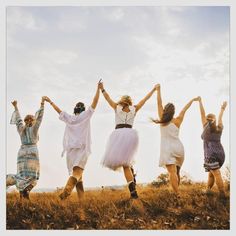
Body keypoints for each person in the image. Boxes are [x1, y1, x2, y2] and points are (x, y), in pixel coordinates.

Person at [99, 82, 158, 199]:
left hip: (118, 134)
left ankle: (133, 191)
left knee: (125, 164)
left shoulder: (117, 107)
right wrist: (153, 90)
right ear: (130, 102)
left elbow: (107, 98)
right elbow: (145, 100)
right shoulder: (134, 109)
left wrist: (102, 89)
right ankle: (133, 182)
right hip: (131, 135)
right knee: (127, 162)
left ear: (122, 101)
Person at [43, 81, 100, 200]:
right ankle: (65, 193)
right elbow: (94, 103)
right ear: (83, 109)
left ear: (75, 110)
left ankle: (82, 202)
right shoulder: (86, 115)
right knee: (77, 174)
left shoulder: (69, 118)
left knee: (79, 177)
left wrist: (50, 102)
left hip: (71, 152)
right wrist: (98, 89)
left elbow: (59, 111)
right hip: (82, 149)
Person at [151, 84, 199, 194]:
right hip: (179, 148)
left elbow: (159, 103)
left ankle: (177, 195)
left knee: (172, 172)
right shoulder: (178, 120)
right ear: (173, 112)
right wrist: (192, 100)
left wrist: (158, 90)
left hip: (168, 148)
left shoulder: (162, 118)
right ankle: (176, 191)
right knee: (176, 172)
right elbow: (185, 109)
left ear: (165, 111)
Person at [6, 97, 45, 199]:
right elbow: (40, 118)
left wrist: (15, 107)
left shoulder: (21, 129)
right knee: (33, 177)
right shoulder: (34, 129)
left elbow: (18, 120)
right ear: (33, 120)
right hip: (32, 152)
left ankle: (22, 198)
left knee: (22, 176)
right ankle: (25, 194)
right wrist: (42, 104)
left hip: (22, 153)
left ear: (26, 121)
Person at [197, 97, 227, 198]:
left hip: (210, 154)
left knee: (216, 173)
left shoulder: (206, 126)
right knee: (211, 173)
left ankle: (222, 193)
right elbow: (220, 118)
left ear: (207, 119)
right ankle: (208, 190)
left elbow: (202, 113)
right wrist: (222, 109)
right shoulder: (219, 128)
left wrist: (200, 101)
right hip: (220, 153)